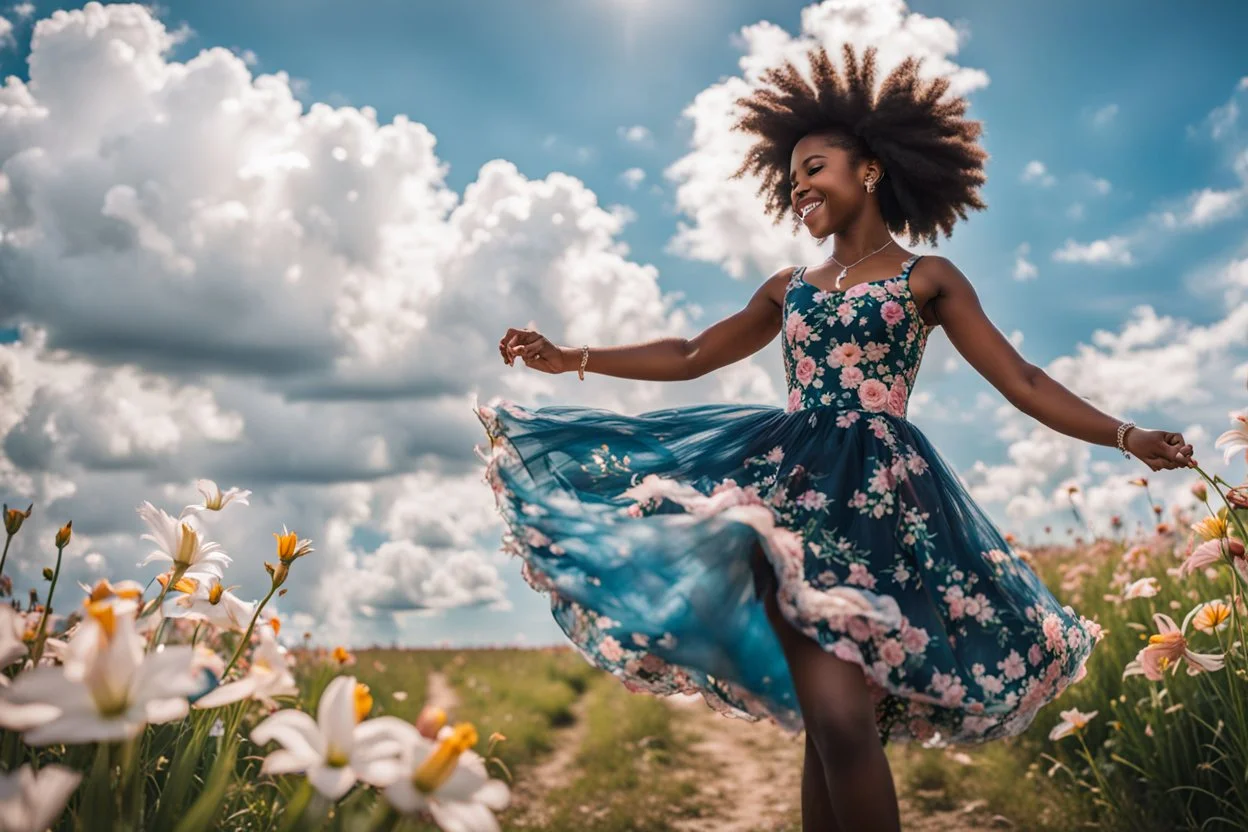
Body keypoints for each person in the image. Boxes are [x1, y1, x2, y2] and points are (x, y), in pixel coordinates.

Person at [473, 43, 1196, 832]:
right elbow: (689, 354)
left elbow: (1021, 382)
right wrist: (572, 356)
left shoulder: (929, 278)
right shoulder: (788, 289)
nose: (800, 190)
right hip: (789, 509)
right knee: (834, 724)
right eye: (791, 181)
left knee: (841, 727)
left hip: (888, 509)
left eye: (815, 169)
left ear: (870, 171)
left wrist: (1126, 435)